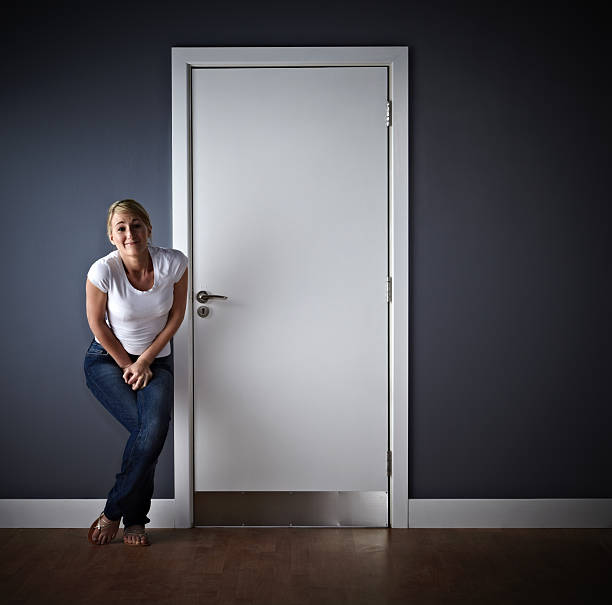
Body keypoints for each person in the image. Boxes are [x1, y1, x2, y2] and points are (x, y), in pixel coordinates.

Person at [83, 199, 188, 546]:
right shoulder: (103, 271)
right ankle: (137, 520)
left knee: (150, 433)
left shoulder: (174, 263)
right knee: (149, 434)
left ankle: (114, 512)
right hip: (107, 359)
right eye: (121, 228)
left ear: (149, 228)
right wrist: (129, 364)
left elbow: (175, 317)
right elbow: (98, 326)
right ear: (111, 236)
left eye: (136, 225)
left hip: (155, 361)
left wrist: (145, 361)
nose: (130, 233)